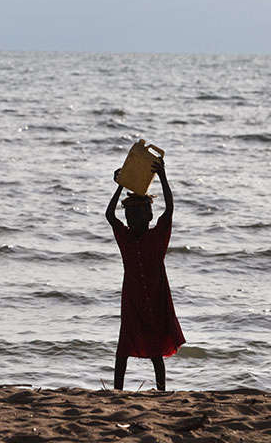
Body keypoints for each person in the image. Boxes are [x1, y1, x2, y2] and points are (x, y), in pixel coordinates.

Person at [105, 159, 184, 391]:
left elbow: (169, 210)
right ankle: (117, 391)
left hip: (156, 300)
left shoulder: (157, 237)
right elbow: (110, 215)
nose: (130, 221)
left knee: (156, 351)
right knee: (123, 349)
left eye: (135, 216)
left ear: (149, 217)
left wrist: (163, 177)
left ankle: (161, 390)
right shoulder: (125, 238)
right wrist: (120, 185)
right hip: (132, 301)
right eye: (128, 217)